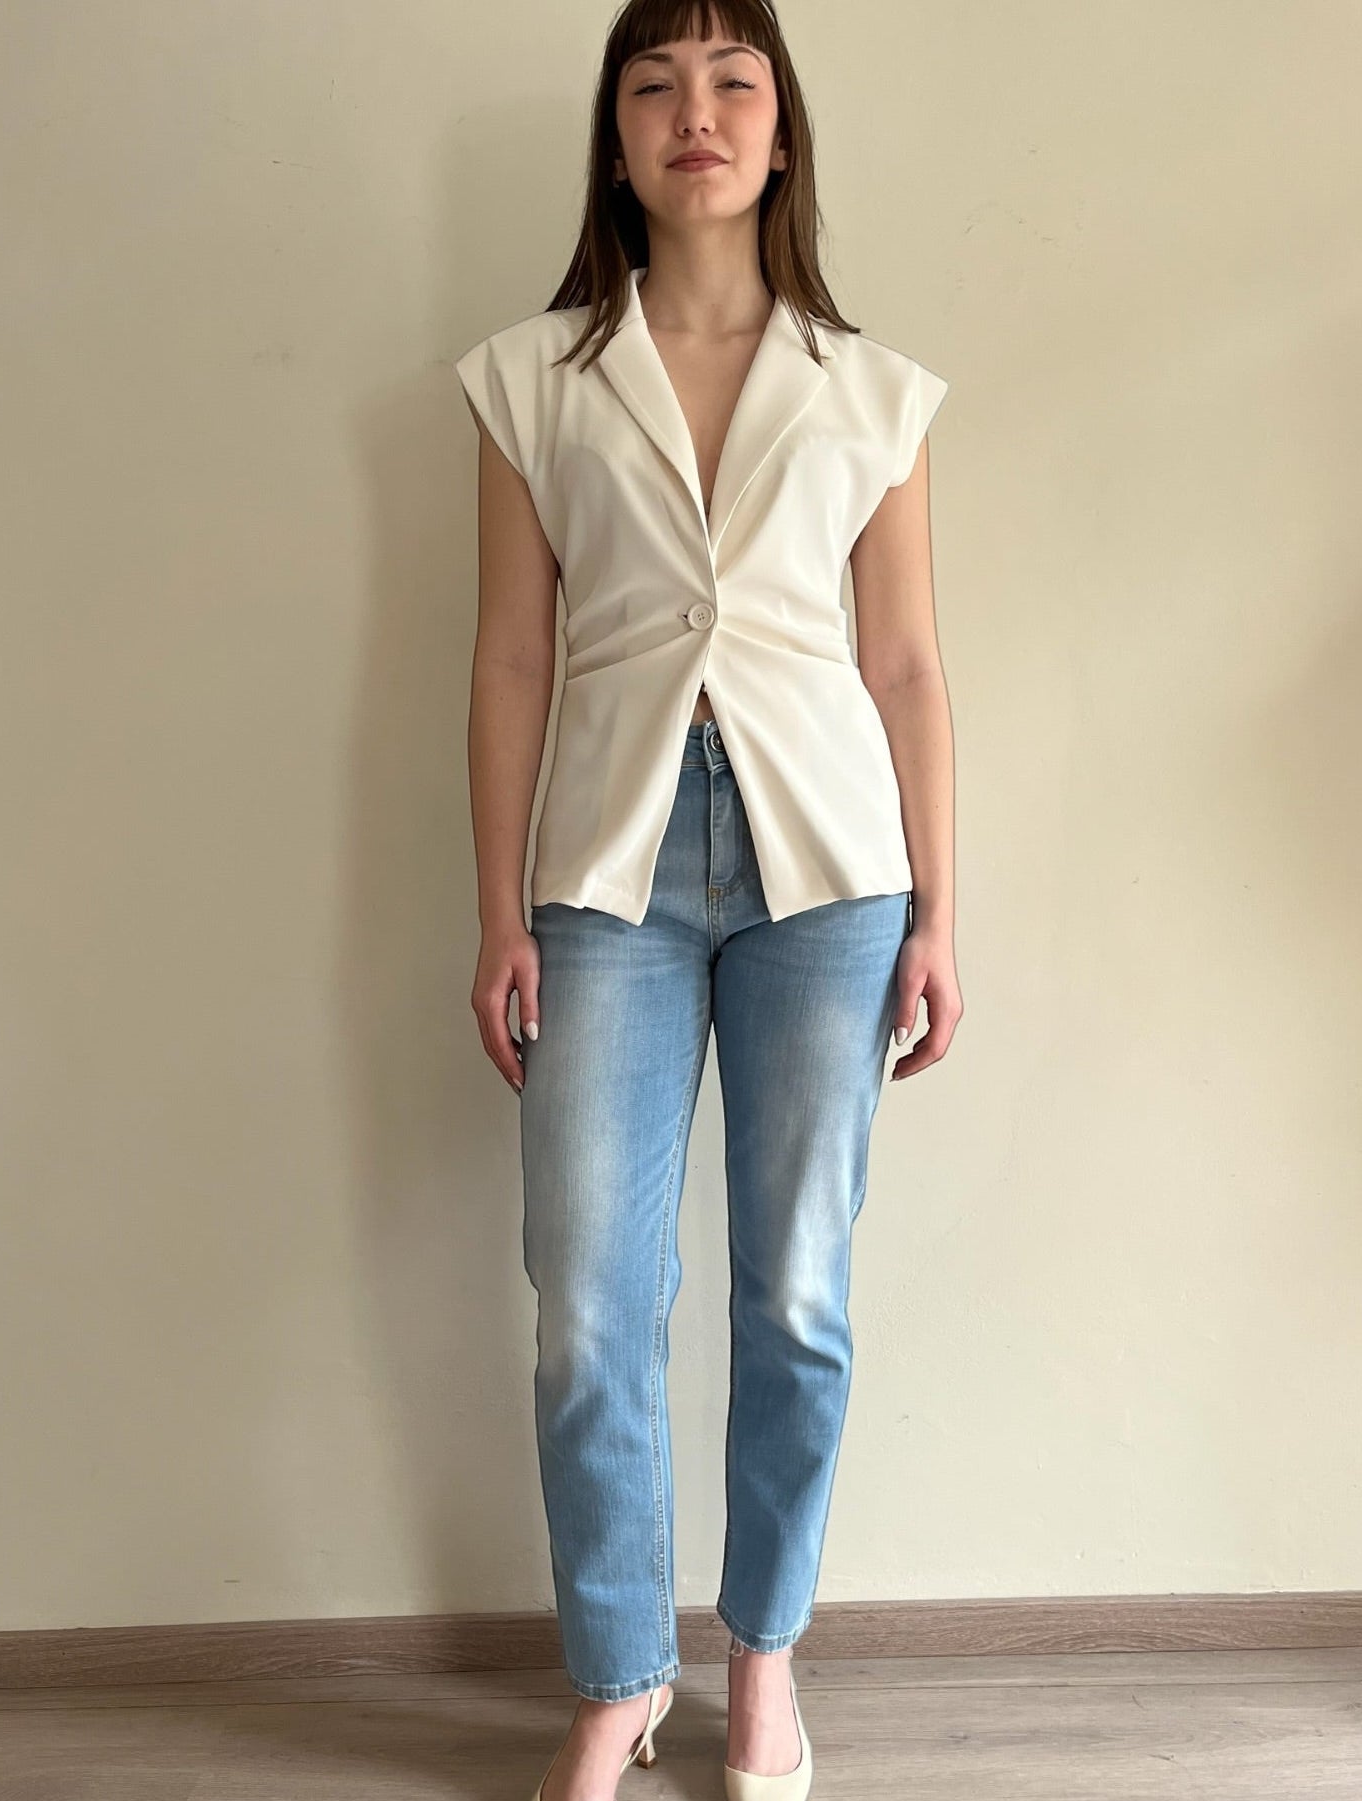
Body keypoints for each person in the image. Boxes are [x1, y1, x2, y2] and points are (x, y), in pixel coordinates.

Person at [454, 3, 961, 1796]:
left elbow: (904, 665)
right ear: (614, 140)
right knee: (589, 1298)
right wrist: (499, 911)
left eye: (734, 80)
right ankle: (618, 1674)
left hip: (827, 868)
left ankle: (762, 1659)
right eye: (654, 84)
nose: (697, 112)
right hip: (609, 863)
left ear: (781, 130)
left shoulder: (872, 391)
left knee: (796, 1290)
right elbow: (511, 657)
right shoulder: (531, 378)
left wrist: (939, 914)